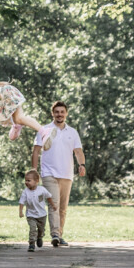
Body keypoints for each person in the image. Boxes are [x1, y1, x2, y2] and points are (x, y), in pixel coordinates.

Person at [31, 101, 85, 247]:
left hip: (66, 174)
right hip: (49, 173)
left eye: (62, 112)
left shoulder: (72, 132)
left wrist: (82, 165)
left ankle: (59, 235)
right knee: (53, 204)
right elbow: (36, 150)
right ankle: (55, 234)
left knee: (62, 208)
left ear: (66, 113)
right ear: (52, 113)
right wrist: (34, 171)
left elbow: (78, 151)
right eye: (57, 112)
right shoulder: (44, 130)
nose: (59, 114)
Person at [18, 170, 56, 252]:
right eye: (26, 180)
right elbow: (21, 202)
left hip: (42, 215)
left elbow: (49, 197)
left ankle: (40, 237)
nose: (26, 182)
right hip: (31, 215)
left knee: (41, 230)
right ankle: (31, 244)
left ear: (36, 181)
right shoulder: (25, 192)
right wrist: (20, 211)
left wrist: (53, 205)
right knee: (32, 229)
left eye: (29, 180)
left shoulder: (42, 189)